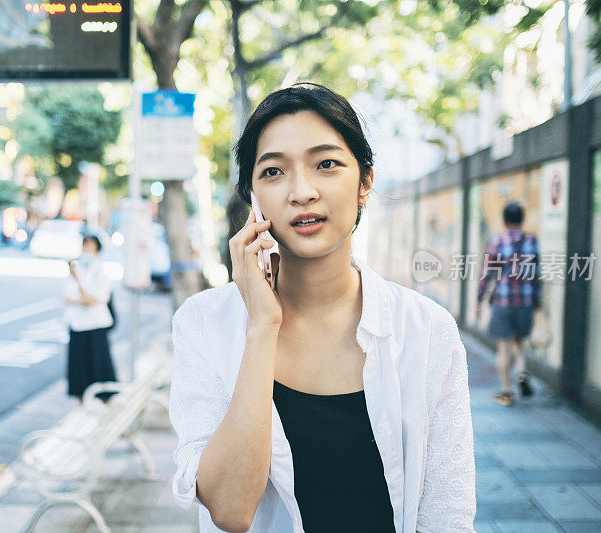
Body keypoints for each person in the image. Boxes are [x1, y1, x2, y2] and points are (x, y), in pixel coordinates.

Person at [169, 83, 475, 533]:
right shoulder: (204, 323)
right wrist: (261, 328)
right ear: (251, 197)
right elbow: (230, 510)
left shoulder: (426, 331)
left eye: (326, 164)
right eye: (273, 172)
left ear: (364, 182)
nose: (302, 191)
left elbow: (446, 516)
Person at [477, 202, 540, 406]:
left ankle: (506, 391)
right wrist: (536, 302)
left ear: (504, 220)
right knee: (518, 342)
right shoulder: (532, 241)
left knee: (504, 347)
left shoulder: (497, 241)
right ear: (522, 219)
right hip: (525, 302)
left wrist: (479, 299)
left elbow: (487, 274)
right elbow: (537, 276)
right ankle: (522, 372)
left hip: (503, 301)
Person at [64, 234, 117, 402]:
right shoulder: (76, 269)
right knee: (79, 366)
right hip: (77, 324)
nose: (86, 250)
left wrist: (78, 285)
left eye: (90, 247)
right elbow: (68, 297)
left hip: (96, 325)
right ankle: (81, 400)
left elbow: (92, 299)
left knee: (99, 365)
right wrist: (81, 297)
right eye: (84, 246)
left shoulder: (101, 271)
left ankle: (104, 400)